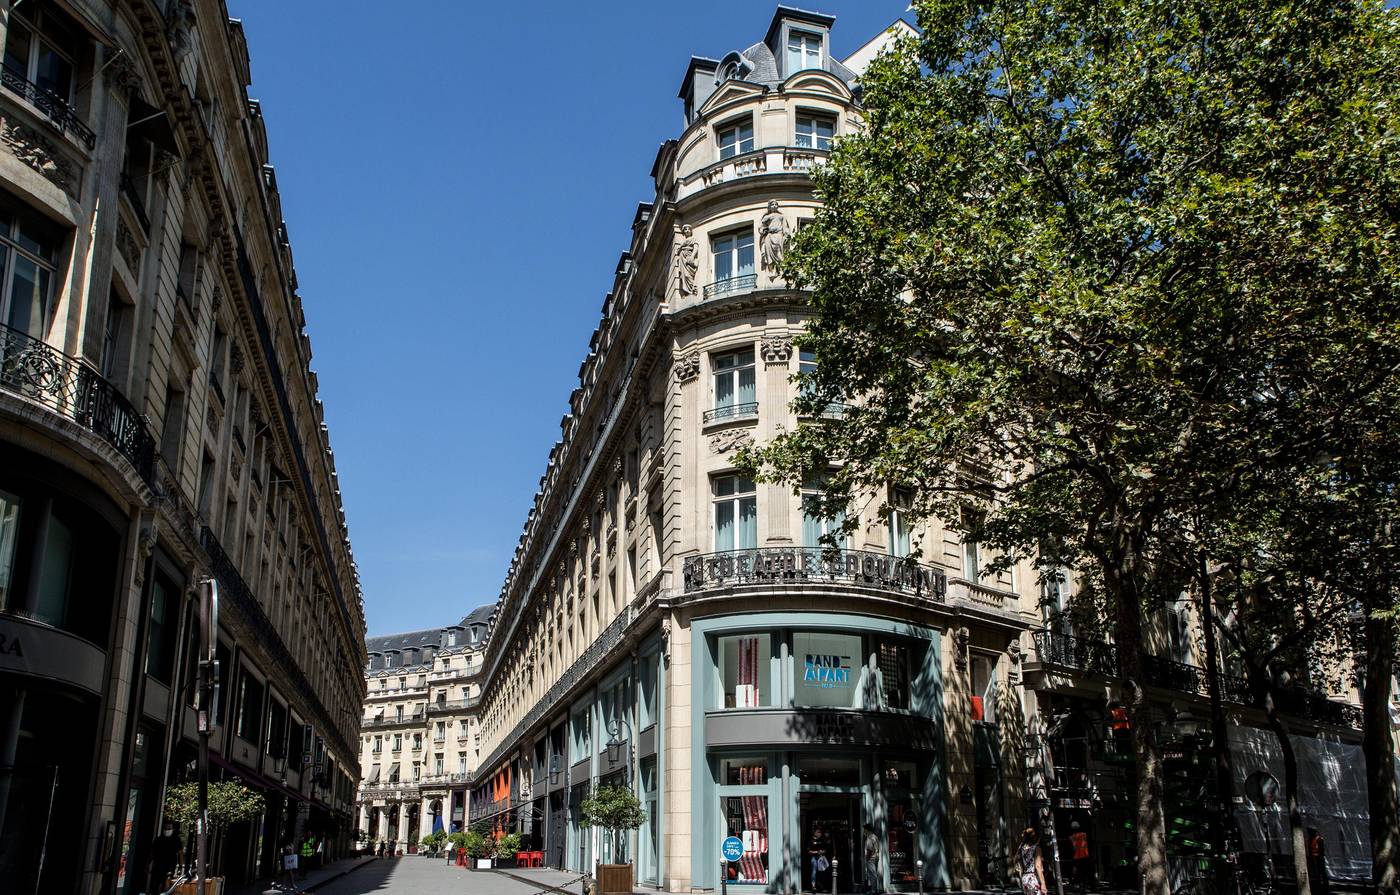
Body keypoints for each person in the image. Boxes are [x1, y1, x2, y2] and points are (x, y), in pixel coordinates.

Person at [148, 821, 182, 895]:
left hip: (170, 867)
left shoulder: (176, 840)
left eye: (169, 828)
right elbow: (152, 853)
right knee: (155, 885)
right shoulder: (158, 839)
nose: (167, 830)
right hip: (158, 866)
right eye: (166, 828)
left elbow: (180, 853)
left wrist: (180, 865)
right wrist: (148, 864)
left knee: (166, 884)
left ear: (173, 829)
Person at [1018, 828, 1048, 895]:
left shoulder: (1022, 849)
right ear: (1035, 838)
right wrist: (1043, 884)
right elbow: (1038, 866)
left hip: (1025, 878)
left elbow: (1018, 863)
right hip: (1034, 878)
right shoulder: (1037, 848)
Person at [1069, 820, 1092, 891]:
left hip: (1077, 856)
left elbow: (1073, 847)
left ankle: (1081, 885)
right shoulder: (1084, 834)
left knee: (1079, 872)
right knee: (1085, 871)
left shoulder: (1072, 837)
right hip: (1085, 855)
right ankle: (1085, 885)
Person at [809, 824, 831, 892]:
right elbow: (809, 851)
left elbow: (826, 849)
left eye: (820, 832)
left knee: (822, 873)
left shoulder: (822, 840)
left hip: (821, 858)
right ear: (814, 833)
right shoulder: (811, 841)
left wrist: (822, 851)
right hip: (814, 858)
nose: (820, 833)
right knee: (814, 871)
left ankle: (821, 887)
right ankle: (813, 886)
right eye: (818, 832)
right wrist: (816, 852)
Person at [1307, 828, 1330, 895]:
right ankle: (1318, 887)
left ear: (1314, 832)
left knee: (1322, 872)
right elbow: (1310, 849)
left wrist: (1318, 857)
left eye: (1310, 832)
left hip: (1319, 858)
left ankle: (1326, 887)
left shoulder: (1319, 839)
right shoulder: (1310, 839)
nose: (1309, 833)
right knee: (1316, 873)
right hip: (1313, 858)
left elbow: (1321, 850)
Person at [862, 823, 880, 895]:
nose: (864, 831)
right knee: (874, 874)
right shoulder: (875, 836)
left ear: (867, 830)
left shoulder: (870, 837)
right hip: (875, 857)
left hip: (871, 858)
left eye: (864, 829)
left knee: (872, 875)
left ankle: (873, 890)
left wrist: (867, 859)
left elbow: (869, 850)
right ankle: (875, 889)